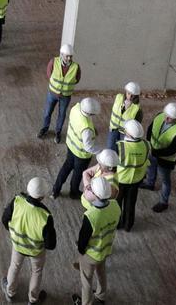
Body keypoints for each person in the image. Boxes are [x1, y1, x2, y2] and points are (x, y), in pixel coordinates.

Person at [2, 176, 56, 304]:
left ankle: (10, 292)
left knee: (14, 267)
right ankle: (32, 300)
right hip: (36, 251)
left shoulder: (17, 201)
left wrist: (14, 234)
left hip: (18, 246)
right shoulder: (45, 216)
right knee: (36, 272)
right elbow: (51, 245)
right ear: (42, 197)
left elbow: (4, 219)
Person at [73, 177, 120, 305]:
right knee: (101, 273)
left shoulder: (91, 215)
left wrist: (81, 251)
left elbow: (83, 239)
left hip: (91, 254)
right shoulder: (115, 206)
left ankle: (86, 302)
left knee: (86, 280)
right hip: (105, 249)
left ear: (95, 195)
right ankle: (101, 296)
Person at [143, 102, 176, 212]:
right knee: (150, 168)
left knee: (165, 181)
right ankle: (150, 183)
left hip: (165, 160)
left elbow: (171, 150)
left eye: (170, 118)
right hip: (153, 151)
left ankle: (164, 202)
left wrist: (154, 152)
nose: (166, 118)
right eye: (166, 115)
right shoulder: (160, 116)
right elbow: (150, 128)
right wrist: (149, 143)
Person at [52, 97, 100, 199]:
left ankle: (55, 189)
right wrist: (100, 151)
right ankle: (73, 193)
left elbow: (79, 121)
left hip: (70, 145)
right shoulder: (86, 128)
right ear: (90, 114)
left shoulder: (76, 108)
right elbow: (88, 147)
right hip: (81, 155)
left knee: (66, 167)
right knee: (77, 174)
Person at [38, 44, 81, 143]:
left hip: (65, 96)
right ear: (61, 54)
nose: (69, 58)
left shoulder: (76, 67)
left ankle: (58, 132)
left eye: (71, 56)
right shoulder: (53, 62)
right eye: (67, 56)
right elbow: (49, 74)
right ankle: (44, 129)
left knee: (62, 115)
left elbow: (77, 79)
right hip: (52, 94)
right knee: (47, 112)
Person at [115, 119, 148, 232]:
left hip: (120, 180)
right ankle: (128, 225)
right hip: (136, 181)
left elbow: (113, 163)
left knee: (117, 203)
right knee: (131, 203)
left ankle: (118, 223)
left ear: (128, 133)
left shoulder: (120, 146)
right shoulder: (146, 145)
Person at [106, 81, 141, 149]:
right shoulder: (118, 97)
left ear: (136, 95)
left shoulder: (137, 108)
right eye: (128, 93)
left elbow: (136, 123)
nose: (130, 96)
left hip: (125, 133)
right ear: (125, 91)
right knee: (110, 147)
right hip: (113, 128)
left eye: (132, 95)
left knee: (122, 149)